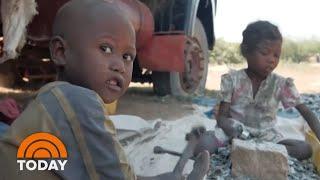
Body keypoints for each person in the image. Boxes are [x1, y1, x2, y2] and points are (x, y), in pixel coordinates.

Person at [0, 0, 209, 179]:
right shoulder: (80, 102)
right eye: (106, 49)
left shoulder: (53, 97)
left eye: (127, 57)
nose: (119, 65)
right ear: (61, 52)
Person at [216, 20, 320, 160]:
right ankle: (257, 154)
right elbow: (221, 117)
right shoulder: (232, 80)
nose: (272, 60)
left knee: (305, 149)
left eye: (276, 55)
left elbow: (306, 112)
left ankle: (256, 153)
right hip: (236, 134)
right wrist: (227, 125)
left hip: (267, 138)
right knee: (205, 142)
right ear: (246, 51)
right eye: (265, 53)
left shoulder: (281, 84)